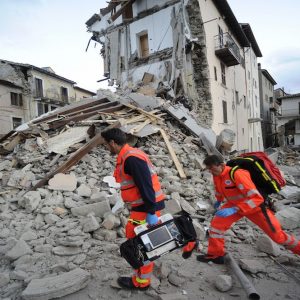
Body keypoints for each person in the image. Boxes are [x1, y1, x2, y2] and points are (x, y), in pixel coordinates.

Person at [197, 155, 300, 264]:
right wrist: (218, 200)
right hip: (233, 205)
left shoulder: (237, 174)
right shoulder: (217, 175)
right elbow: (219, 189)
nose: (211, 172)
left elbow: (257, 198)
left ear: (222, 165)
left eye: (212, 168)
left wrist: (235, 209)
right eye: (209, 169)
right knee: (217, 226)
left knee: (278, 237)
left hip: (255, 207)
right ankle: (215, 255)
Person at [101, 128, 165, 290]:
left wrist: (151, 212)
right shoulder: (128, 155)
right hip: (142, 207)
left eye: (106, 145)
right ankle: (141, 276)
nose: (106, 148)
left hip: (146, 208)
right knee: (138, 241)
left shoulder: (131, 159)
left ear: (113, 143)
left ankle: (141, 282)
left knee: (139, 243)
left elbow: (146, 186)